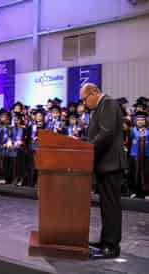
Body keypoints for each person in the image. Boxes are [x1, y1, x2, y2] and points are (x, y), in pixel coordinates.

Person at [79, 83, 126, 259]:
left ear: (94, 93)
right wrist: (80, 141)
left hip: (111, 165)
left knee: (111, 206)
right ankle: (106, 240)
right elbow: (96, 135)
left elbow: (106, 134)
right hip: (105, 165)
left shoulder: (108, 103)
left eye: (85, 99)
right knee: (106, 206)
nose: (84, 103)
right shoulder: (101, 107)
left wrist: (87, 148)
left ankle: (112, 246)